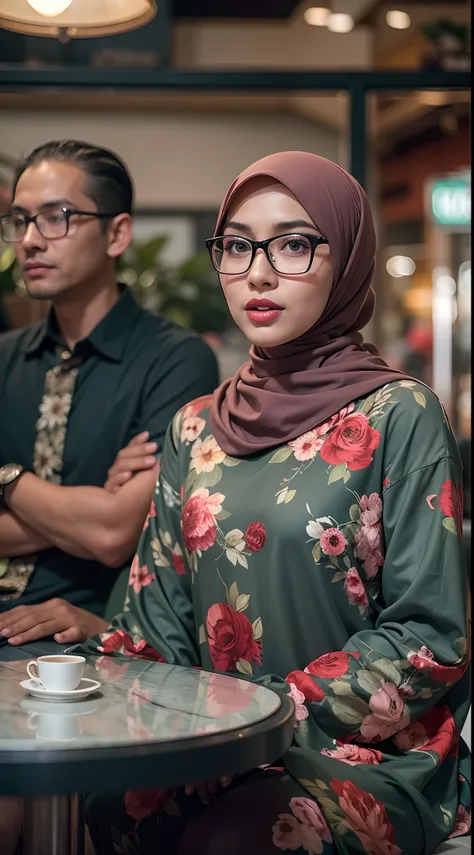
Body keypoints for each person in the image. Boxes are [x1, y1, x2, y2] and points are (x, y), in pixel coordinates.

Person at [78, 151, 468, 855]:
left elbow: (428, 635)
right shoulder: (193, 426)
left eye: (292, 243)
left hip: (359, 754)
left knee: (244, 836)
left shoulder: (399, 414)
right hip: (206, 750)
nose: (258, 272)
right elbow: (155, 618)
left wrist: (259, 721)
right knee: (108, 806)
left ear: (346, 256)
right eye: (237, 245)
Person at [0, 139, 219, 659]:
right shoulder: (4, 357)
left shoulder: (176, 359)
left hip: (82, 635)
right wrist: (89, 500)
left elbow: (110, 533)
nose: (30, 239)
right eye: (20, 220)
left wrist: (6, 479)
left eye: (57, 217)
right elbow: (103, 518)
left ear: (117, 233)